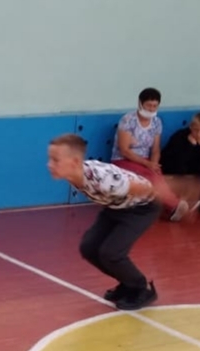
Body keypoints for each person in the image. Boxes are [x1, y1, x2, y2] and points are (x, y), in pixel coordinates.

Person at [48, 133, 163, 310]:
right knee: (89, 247)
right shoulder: (75, 174)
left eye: (56, 160)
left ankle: (142, 288)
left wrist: (172, 193)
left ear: (75, 162)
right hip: (116, 206)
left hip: (142, 208)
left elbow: (143, 188)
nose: (50, 165)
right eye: (50, 159)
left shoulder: (104, 180)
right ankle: (127, 282)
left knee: (111, 252)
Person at [110, 87, 190, 221]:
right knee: (150, 176)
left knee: (156, 174)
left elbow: (155, 149)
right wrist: (147, 164)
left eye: (154, 106)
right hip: (124, 160)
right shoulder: (128, 120)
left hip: (145, 160)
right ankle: (175, 205)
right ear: (140, 103)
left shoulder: (157, 122)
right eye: (148, 105)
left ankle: (170, 208)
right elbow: (124, 150)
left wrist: (154, 164)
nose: (151, 109)